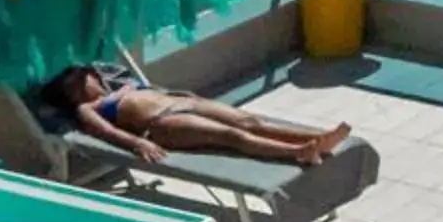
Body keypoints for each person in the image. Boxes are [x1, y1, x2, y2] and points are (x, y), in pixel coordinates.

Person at [53, 68, 352, 170]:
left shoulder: (121, 85)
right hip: (162, 126)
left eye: (85, 77)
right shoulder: (88, 109)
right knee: (231, 137)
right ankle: (299, 152)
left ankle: (320, 137)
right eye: (76, 85)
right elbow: (106, 133)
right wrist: (136, 144)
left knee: (251, 122)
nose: (85, 83)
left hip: (183, 103)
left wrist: (186, 98)